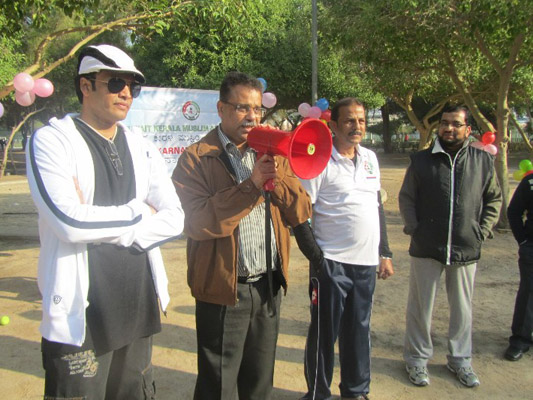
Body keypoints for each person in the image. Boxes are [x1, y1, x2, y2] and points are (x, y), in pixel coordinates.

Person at [26, 44, 184, 399]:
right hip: (81, 313)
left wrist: (97, 221)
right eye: (115, 83)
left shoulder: (141, 146)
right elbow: (69, 222)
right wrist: (140, 212)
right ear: (86, 85)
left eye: (133, 86)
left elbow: (176, 218)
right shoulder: (52, 141)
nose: (126, 93)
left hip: (138, 304)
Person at [172, 71, 312, 400]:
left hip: (268, 286)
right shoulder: (195, 158)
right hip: (223, 290)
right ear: (221, 109)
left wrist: (277, 174)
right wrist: (251, 186)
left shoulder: (272, 154)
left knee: (259, 382)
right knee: (217, 385)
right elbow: (198, 222)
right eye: (242, 108)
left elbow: (301, 210)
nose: (252, 116)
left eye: (257, 108)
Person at [298, 97, 394, 400]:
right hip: (332, 264)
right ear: (334, 125)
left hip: (365, 264)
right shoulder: (319, 160)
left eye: (362, 120)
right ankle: (318, 394)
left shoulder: (370, 158)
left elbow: (376, 206)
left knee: (358, 331)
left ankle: (356, 391)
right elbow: (300, 215)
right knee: (324, 334)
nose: (357, 126)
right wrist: (318, 258)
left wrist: (384, 252)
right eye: (350, 120)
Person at [399, 105, 502, 388]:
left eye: (456, 124)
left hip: (466, 247)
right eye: (445, 123)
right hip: (426, 246)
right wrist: (414, 228)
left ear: (467, 129)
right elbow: (407, 197)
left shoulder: (482, 161)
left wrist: (481, 231)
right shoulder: (421, 160)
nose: (449, 128)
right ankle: (416, 360)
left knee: (462, 309)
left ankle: (460, 360)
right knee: (420, 308)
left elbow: (493, 199)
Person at [504, 170, 533, 361]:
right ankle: (520, 340)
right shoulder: (530, 181)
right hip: (532, 247)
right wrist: (523, 241)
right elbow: (514, 211)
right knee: (528, 292)